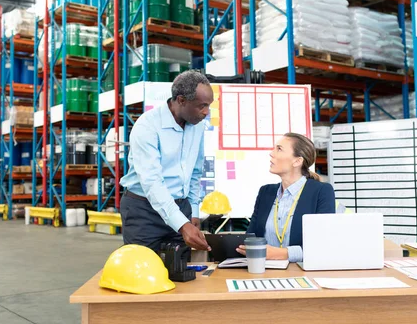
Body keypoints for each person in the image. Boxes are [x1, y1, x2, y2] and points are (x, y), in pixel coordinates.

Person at [120, 70, 213, 252]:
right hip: (144, 211)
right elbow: (152, 182)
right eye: (202, 106)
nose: (206, 112)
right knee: (144, 271)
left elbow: (195, 170)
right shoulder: (147, 127)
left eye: (209, 106)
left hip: (181, 206)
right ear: (181, 100)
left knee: (181, 272)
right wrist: (182, 224)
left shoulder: (198, 126)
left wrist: (193, 210)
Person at [237, 133, 335, 262]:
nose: (271, 153)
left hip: (301, 272)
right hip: (263, 271)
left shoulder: (321, 191)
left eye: (279, 149)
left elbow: (323, 245)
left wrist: (282, 254)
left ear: (297, 161)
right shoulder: (265, 192)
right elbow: (251, 237)